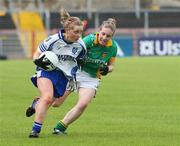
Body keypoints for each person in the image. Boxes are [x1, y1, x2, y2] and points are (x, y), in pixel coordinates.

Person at [52, 18, 118, 134]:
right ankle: (38, 103)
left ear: (112, 36)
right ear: (99, 31)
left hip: (92, 78)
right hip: (76, 72)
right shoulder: (89, 40)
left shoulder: (112, 48)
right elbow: (73, 51)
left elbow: (112, 65)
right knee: (56, 103)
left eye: (108, 36)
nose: (104, 38)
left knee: (83, 104)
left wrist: (107, 69)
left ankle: (60, 128)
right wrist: (78, 58)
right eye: (103, 34)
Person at [26, 13, 86, 138]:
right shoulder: (53, 39)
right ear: (67, 30)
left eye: (80, 32)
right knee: (47, 98)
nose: (79, 35)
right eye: (76, 32)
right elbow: (37, 53)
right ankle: (35, 130)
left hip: (64, 77)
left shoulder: (80, 46)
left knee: (55, 104)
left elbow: (80, 62)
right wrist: (37, 61)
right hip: (47, 71)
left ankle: (36, 104)